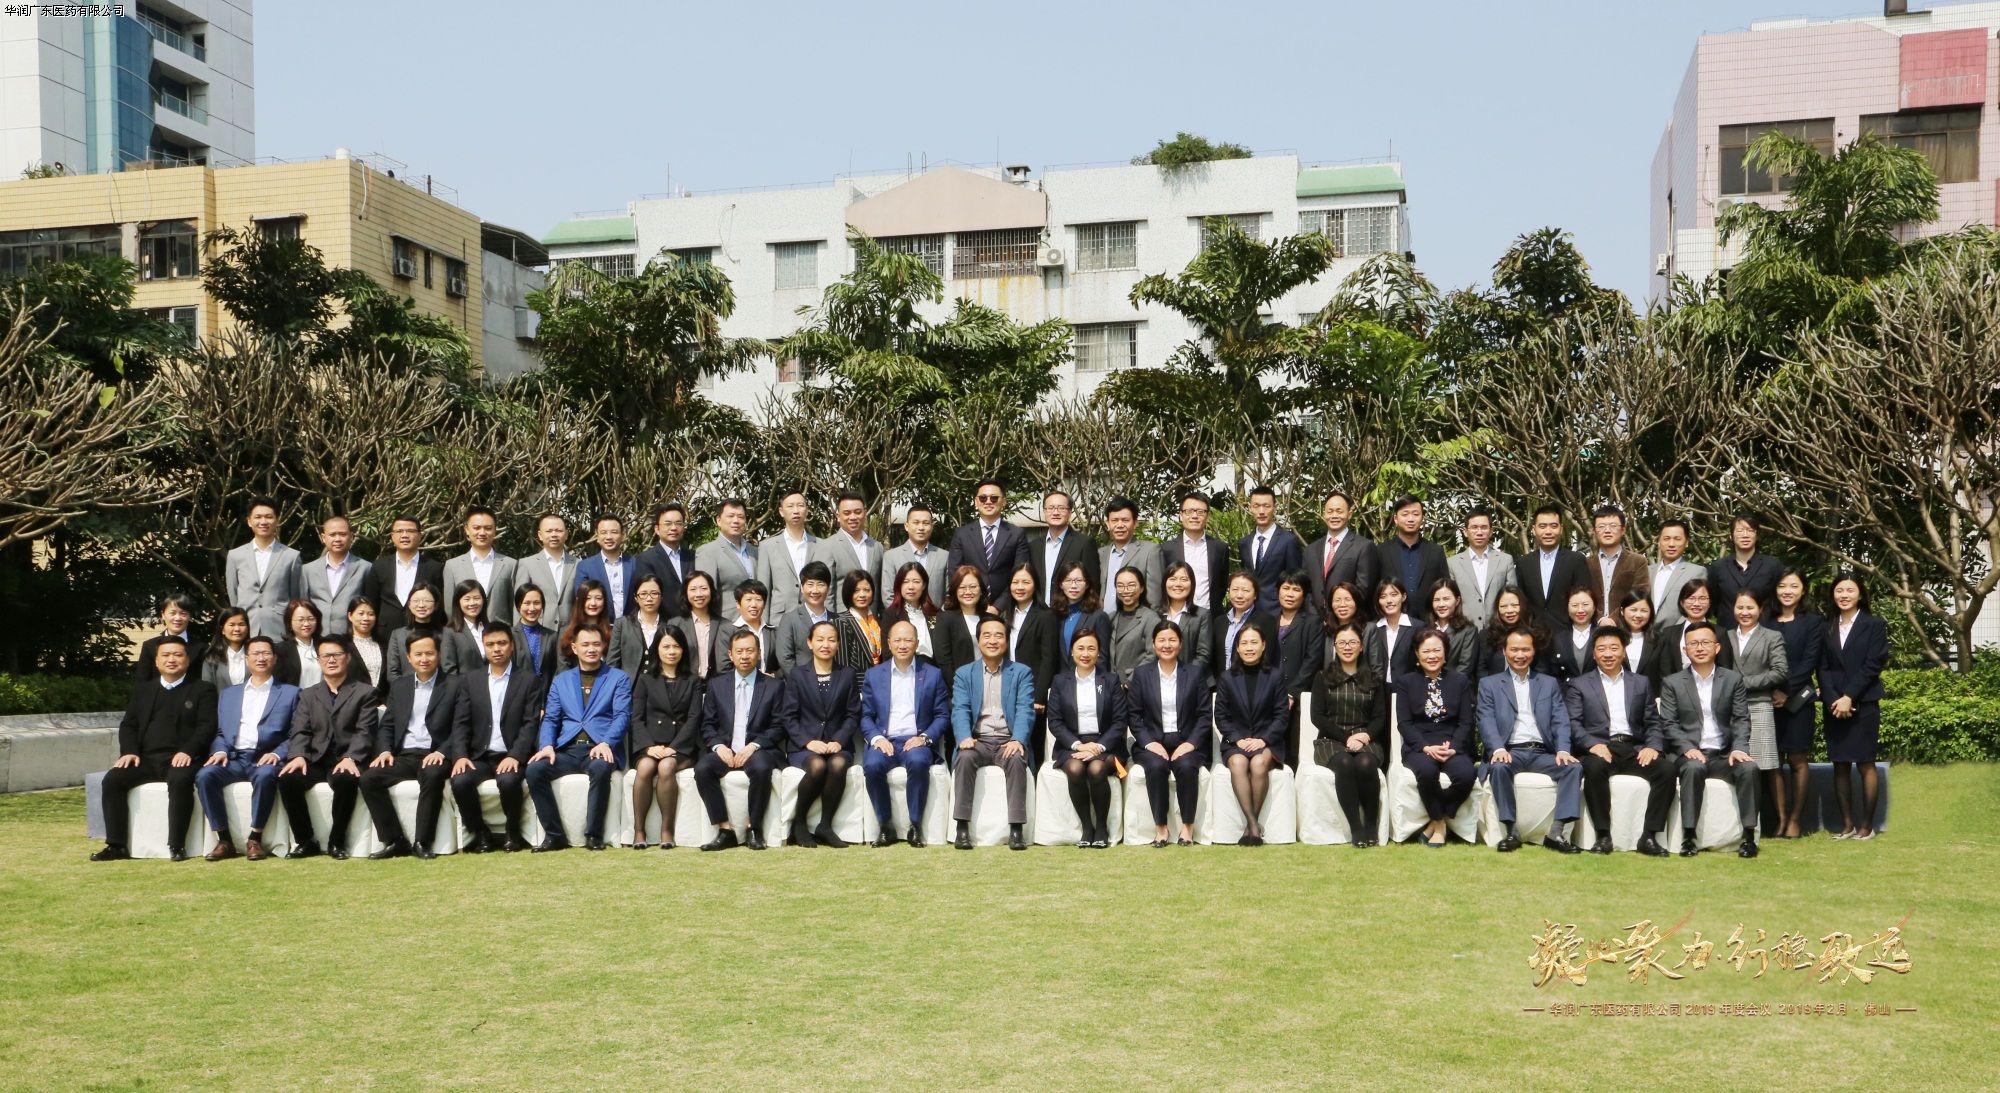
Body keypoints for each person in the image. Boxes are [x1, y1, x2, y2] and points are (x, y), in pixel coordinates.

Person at [94, 636, 218, 861]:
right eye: (166, 655)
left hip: (183, 758)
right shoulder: (144, 690)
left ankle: (177, 845)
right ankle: (116, 845)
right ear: (156, 661)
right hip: (146, 759)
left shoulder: (203, 689)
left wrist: (188, 751)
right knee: (112, 780)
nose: (171, 660)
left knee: (180, 781)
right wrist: (129, 751)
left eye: (177, 655)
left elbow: (207, 726)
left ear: (187, 660)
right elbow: (129, 725)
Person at [356, 632, 468, 859]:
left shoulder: (455, 684)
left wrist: (442, 752)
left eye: (429, 653)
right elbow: (387, 725)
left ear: (438, 654)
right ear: (408, 657)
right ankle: (395, 840)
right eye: (418, 654)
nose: (424, 659)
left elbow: (461, 725)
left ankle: (422, 842)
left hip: (435, 754)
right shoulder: (400, 686)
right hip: (405, 754)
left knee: (432, 775)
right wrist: (385, 750)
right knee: (369, 779)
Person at [1566, 626, 1675, 856]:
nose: (1608, 654)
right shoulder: (1579, 684)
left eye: (1614, 648)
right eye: (1601, 649)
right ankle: (1603, 835)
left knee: (1666, 770)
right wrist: (1591, 744)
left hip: (1633, 748)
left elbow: (1653, 722)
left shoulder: (1641, 682)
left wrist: (1653, 746)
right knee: (1594, 768)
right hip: (1601, 747)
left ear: (1623, 651)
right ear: (1594, 653)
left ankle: (1649, 836)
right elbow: (1574, 723)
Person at [525, 624, 632, 851]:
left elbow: (622, 716)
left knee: (601, 769)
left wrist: (607, 742)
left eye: (596, 644)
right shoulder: (561, 680)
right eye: (585, 644)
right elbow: (551, 718)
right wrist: (547, 745)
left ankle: (593, 835)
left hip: (600, 747)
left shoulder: (618, 678)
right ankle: (554, 836)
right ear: (574, 648)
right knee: (534, 770)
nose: (591, 649)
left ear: (603, 646)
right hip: (568, 749)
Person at [1477, 627, 1583, 853]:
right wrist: (1497, 748)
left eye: (1525, 649)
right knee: (1498, 767)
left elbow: (1560, 719)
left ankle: (1556, 833)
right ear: (1504, 651)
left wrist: (1563, 750)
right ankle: (1511, 831)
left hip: (1542, 752)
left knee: (1573, 768)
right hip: (1509, 751)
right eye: (1514, 649)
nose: (1520, 655)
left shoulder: (1548, 683)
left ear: (1534, 652)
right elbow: (1485, 720)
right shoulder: (1489, 684)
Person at [1658, 621, 1758, 858]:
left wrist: (1739, 748)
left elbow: (1741, 718)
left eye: (1705, 642)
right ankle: (1688, 837)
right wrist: (1687, 748)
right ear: (1685, 650)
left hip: (1723, 754)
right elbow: (1668, 723)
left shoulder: (1732, 679)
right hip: (1690, 753)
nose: (1700, 648)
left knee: (1749, 768)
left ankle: (1748, 837)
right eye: (1693, 644)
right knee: (1693, 768)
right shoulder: (1672, 682)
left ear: (1717, 647)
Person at [194, 636, 298, 862]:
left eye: (266, 653)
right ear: (246, 659)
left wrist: (277, 753)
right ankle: (224, 840)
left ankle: (255, 838)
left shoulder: (291, 693)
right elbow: (221, 732)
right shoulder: (229, 694)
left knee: (265, 775)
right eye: (255, 654)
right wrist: (219, 750)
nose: (261, 658)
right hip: (233, 758)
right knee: (205, 775)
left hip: (265, 757)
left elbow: (296, 733)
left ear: (274, 658)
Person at [275, 636, 378, 860]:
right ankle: (305, 841)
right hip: (315, 758)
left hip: (346, 758)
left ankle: (336, 842)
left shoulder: (365, 692)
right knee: (288, 779)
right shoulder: (308, 694)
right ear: (319, 660)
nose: (331, 660)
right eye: (325, 656)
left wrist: (351, 757)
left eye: (336, 655)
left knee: (346, 779)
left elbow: (365, 731)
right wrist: (298, 755)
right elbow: (300, 729)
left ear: (347, 658)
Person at [450, 627, 542, 853]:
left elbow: (530, 724)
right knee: (460, 781)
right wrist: (460, 756)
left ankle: (513, 832)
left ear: (512, 646)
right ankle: (480, 833)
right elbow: (461, 722)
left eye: (501, 643)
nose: (496, 649)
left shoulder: (528, 680)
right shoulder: (471, 680)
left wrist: (515, 755)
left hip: (511, 754)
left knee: (509, 781)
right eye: (490, 644)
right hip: (480, 755)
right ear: (484, 648)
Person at [694, 630, 786, 851]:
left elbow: (779, 726)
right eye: (740, 651)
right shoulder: (717, 685)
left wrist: (754, 746)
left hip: (758, 748)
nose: (745, 656)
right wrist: (718, 746)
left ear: (759, 653)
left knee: (762, 768)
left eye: (750, 651)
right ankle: (724, 830)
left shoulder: (774, 686)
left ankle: (754, 828)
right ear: (730, 654)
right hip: (725, 748)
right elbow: (707, 724)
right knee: (703, 769)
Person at [860, 620, 949, 846]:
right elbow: (866, 716)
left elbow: (942, 715)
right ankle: (885, 826)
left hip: (915, 740)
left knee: (919, 762)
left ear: (917, 644)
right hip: (885, 740)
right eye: (897, 640)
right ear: (888, 643)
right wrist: (877, 738)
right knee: (872, 765)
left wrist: (924, 738)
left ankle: (915, 825)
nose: (902, 645)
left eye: (908, 640)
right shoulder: (874, 675)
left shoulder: (932, 674)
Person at [949, 617, 1035, 850]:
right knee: (964, 757)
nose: (992, 640)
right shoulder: (964, 673)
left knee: (1016, 758)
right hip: (978, 740)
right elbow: (960, 709)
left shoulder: (1021, 672)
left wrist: (1018, 739)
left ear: (1006, 641)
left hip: (1008, 740)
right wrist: (964, 737)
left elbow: (1025, 709)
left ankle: (1016, 830)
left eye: (999, 635)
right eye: (986, 635)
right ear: (978, 640)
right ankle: (962, 828)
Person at [1127, 620, 1212, 847]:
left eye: (1172, 640)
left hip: (1187, 743)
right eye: (1162, 640)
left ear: (1180, 644)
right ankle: (1161, 829)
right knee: (1156, 766)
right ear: (1153, 644)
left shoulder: (1194, 674)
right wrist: (1148, 742)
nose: (1167, 645)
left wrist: (1191, 743)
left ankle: (1187, 827)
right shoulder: (1142, 674)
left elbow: (1205, 715)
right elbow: (1134, 716)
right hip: (1152, 743)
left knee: (1186, 765)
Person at [1395, 629, 1476, 848]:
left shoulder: (1460, 681)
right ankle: (1440, 824)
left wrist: (1455, 747)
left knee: (1467, 774)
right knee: (1427, 771)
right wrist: (1425, 747)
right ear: (1417, 654)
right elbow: (1404, 723)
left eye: (1437, 650)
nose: (1432, 656)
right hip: (1419, 745)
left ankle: (1435, 819)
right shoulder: (1405, 682)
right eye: (1426, 651)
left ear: (1445, 653)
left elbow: (1466, 722)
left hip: (1451, 743)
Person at [1046, 629, 1127, 848]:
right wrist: (1078, 745)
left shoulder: (1110, 680)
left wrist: (1098, 746)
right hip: (1072, 744)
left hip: (1107, 745)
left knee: (1096, 769)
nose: (1085, 653)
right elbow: (1055, 721)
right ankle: (1086, 827)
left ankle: (1101, 827)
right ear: (1072, 651)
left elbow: (1120, 721)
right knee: (1075, 768)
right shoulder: (1060, 681)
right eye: (1080, 648)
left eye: (1091, 648)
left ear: (1099, 653)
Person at [1821, 575, 1888, 841]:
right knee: (1839, 764)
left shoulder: (1874, 625)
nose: (1844, 595)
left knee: (1865, 763)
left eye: (1850, 590)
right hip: (1834, 704)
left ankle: (1867, 826)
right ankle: (1847, 825)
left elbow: (1874, 664)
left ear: (1860, 594)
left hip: (1864, 702)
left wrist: (1849, 696)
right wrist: (1834, 699)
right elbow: (1822, 667)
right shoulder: (1827, 626)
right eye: (1839, 590)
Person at [1311, 621, 1388, 849]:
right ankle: (1356, 828)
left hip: (1366, 738)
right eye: (1342, 642)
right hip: (1331, 740)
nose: (1347, 647)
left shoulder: (1374, 679)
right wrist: (1346, 738)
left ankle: (1371, 826)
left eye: (1352, 642)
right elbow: (1318, 717)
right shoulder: (1322, 677)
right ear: (1334, 646)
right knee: (1345, 763)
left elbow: (1380, 717)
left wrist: (1365, 736)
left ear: (1361, 647)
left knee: (1365, 763)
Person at [782, 620, 859, 847]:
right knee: (817, 766)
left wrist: (839, 740)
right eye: (820, 639)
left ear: (838, 644)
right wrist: (808, 742)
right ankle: (799, 824)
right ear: (810, 643)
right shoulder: (797, 675)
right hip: (804, 746)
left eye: (831, 640)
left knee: (837, 764)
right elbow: (788, 716)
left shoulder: (847, 674)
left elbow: (853, 714)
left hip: (838, 744)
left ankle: (825, 825)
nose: (826, 645)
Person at [625, 627, 702, 850]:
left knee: (666, 766)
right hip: (650, 744)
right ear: (656, 650)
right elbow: (636, 717)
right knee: (645, 767)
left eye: (676, 646)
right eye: (666, 646)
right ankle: (639, 831)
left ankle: (666, 830)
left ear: (683, 650)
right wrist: (648, 746)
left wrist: (673, 748)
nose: (671, 651)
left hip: (681, 746)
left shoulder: (693, 681)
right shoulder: (645, 679)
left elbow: (694, 718)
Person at [1718, 588, 1789, 812]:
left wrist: (1742, 682)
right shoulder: (1726, 636)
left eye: (1750, 607)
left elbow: (1780, 671)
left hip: (1759, 704)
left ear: (1760, 609)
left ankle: (1781, 820)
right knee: (1737, 763)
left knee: (1768, 764)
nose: (1745, 612)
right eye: (1740, 607)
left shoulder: (1771, 636)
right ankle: (1743, 817)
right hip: (1729, 708)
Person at [1216, 622, 1286, 846]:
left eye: (1254, 642)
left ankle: (1250, 827)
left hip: (1267, 741)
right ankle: (1254, 825)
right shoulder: (1227, 678)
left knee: (1258, 763)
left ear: (1263, 645)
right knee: (1238, 763)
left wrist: (1263, 740)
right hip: (1236, 741)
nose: (1249, 648)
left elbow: (1281, 715)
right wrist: (1238, 739)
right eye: (1244, 643)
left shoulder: (1275, 676)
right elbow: (1221, 716)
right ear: (1237, 648)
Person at [1769, 569, 1824, 839]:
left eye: (1793, 586)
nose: (1787, 591)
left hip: (1799, 700)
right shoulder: (1766, 621)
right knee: (1773, 760)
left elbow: (1809, 661)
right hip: (1769, 698)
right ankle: (1780, 818)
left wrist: (1785, 692)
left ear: (1803, 590)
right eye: (1782, 585)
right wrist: (1772, 690)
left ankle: (1795, 819)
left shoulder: (1813, 622)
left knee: (1797, 758)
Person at [225, 496, 302, 638]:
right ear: (249, 521)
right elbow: (233, 594)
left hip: (279, 630)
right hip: (246, 628)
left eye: (268, 517)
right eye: (258, 517)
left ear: (277, 520)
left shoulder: (291, 556)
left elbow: (295, 597)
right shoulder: (235, 555)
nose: (263, 522)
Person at [946, 478, 1028, 607]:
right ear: (976, 501)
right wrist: (975, 604)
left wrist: (998, 606)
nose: (988, 502)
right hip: (970, 606)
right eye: (983, 498)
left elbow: (1021, 574)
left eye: (994, 498)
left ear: (1004, 501)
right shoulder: (961, 534)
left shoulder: (1016, 534)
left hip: (1006, 609)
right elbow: (954, 573)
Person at [1000, 564, 1059, 735]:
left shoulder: (1046, 616)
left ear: (1035, 585)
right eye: (1015, 582)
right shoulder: (1004, 615)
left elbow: (1049, 659)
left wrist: (1039, 696)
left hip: (1031, 688)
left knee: (1031, 738)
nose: (1020, 587)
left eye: (1026, 582)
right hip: (1007, 684)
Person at [360, 514, 443, 636]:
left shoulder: (434, 568)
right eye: (399, 531)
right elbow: (371, 603)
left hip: (423, 634)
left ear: (420, 536)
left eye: (410, 531)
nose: (404, 535)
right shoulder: (379, 566)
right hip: (385, 634)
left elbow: (440, 606)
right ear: (392, 536)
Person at [1274, 571, 1324, 762]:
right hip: (1271, 694)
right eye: (1285, 588)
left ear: (1304, 595)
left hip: (1299, 696)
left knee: (1295, 751)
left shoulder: (1313, 622)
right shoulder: (1269, 620)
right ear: (1278, 591)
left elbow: (1312, 660)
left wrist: (1291, 693)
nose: (1289, 594)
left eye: (1296, 589)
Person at [1516, 504, 1589, 633]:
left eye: (1553, 526)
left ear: (1561, 529)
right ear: (1534, 529)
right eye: (1542, 526)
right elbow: (1521, 601)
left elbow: (1584, 598)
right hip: (1533, 633)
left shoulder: (1576, 560)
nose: (1548, 531)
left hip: (1567, 632)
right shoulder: (1523, 563)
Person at [442, 505, 518, 628]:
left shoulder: (510, 564)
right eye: (476, 528)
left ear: (495, 530)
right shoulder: (452, 566)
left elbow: (515, 605)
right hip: (464, 632)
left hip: (500, 633)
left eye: (488, 528)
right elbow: (449, 607)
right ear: (466, 530)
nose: (482, 533)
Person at [1374, 495, 1448, 621]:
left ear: (1422, 518)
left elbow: (1444, 588)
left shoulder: (1436, 551)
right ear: (1396, 519)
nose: (1410, 519)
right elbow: (1374, 589)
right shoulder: (1381, 551)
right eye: (1405, 514)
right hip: (1392, 622)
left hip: (1428, 622)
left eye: (1415, 514)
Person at [1307, 490, 1380, 614]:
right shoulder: (1311, 549)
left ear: (1349, 514)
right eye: (1330, 511)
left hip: (1349, 619)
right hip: (1316, 620)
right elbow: (1307, 588)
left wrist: (1340, 613)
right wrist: (1314, 616)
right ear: (1324, 514)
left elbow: (1364, 588)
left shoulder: (1363, 546)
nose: (1334, 515)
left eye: (1339, 511)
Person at [1161, 490, 1231, 616]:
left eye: (1200, 512)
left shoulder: (1220, 548)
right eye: (1189, 511)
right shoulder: (1167, 549)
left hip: (1211, 616)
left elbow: (1222, 584)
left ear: (1208, 516)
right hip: (1177, 616)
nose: (1194, 516)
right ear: (1181, 515)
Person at [1027, 489, 1099, 608]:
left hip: (1071, 611)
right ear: (1044, 511)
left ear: (1070, 512)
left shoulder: (1084, 543)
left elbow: (1093, 583)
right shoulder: (1034, 546)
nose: (1056, 512)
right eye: (1051, 508)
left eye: (1061, 508)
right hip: (1039, 612)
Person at [1238, 485, 1303, 615]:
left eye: (1266, 506)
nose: (1261, 511)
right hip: (1249, 612)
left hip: (1278, 612)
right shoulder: (1244, 543)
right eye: (1256, 506)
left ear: (1275, 507)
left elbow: (1296, 580)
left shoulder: (1288, 541)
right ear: (1250, 508)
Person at [754, 489, 819, 620]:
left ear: (807, 510)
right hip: (779, 619)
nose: (796, 510)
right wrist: (764, 624)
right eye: (790, 506)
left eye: (800, 505)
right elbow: (763, 589)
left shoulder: (821, 545)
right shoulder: (767, 547)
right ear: (781, 511)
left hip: (815, 618)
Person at [1446, 506, 1514, 631]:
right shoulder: (1453, 563)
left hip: (1498, 630)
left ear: (1491, 531)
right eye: (1474, 527)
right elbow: (1450, 600)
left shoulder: (1505, 561)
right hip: (1464, 630)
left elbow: (1512, 597)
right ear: (1465, 531)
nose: (1479, 532)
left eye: (1484, 527)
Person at [1708, 513, 1784, 621]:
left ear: (1757, 535)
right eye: (1740, 531)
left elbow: (1778, 600)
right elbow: (1714, 602)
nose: (1745, 535)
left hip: (1764, 627)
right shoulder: (1718, 567)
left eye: (1750, 530)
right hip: (1728, 628)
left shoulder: (1772, 565)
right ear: (1731, 536)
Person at [696, 497, 760, 622]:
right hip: (726, 623)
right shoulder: (708, 552)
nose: (736, 521)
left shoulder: (755, 551)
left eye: (740, 517)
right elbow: (705, 595)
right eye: (730, 516)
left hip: (756, 623)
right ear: (719, 520)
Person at [303, 514, 368, 635]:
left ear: (351, 537)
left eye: (342, 534)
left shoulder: (365, 568)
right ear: (323, 538)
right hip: (317, 637)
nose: (337, 539)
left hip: (351, 637)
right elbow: (303, 606)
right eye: (332, 535)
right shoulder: (308, 570)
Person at [809, 491, 883, 592]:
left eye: (857, 512)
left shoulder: (877, 547)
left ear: (865, 513)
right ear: (838, 516)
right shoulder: (827, 547)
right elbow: (825, 590)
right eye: (847, 513)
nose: (853, 517)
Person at [931, 564, 989, 695]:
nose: (968, 592)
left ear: (981, 590)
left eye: (973, 587)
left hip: (990, 688)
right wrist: (959, 689)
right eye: (962, 587)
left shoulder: (990, 619)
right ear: (955, 591)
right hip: (958, 690)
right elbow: (943, 660)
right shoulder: (945, 619)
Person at [1587, 505, 1649, 625]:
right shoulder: (1586, 563)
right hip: (1593, 627)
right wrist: (1600, 619)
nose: (1607, 530)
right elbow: (1582, 595)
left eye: (1613, 526)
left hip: (1625, 627)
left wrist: (1613, 620)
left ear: (1623, 530)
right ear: (1594, 531)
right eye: (1601, 526)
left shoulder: (1638, 561)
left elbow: (1640, 594)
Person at [516, 513, 579, 631]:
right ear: (540, 535)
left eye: (558, 531)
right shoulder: (527, 564)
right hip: (538, 630)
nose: (554, 534)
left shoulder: (578, 564)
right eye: (549, 531)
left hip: (570, 631)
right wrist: (519, 634)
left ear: (566, 534)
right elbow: (519, 603)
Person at [1100, 496, 1164, 609]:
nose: (1120, 525)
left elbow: (1155, 598)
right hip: (1103, 618)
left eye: (1125, 520)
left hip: (1136, 619)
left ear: (1135, 523)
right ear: (1108, 524)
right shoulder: (1100, 554)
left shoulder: (1150, 551)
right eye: (1115, 520)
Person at [635, 503, 696, 620]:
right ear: (657, 529)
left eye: (678, 523)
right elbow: (647, 595)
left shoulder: (692, 556)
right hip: (663, 623)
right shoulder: (646, 559)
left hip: (692, 621)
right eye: (668, 524)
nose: (673, 528)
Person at [1050, 562, 1113, 674]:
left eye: (1079, 580)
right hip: (1061, 680)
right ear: (1060, 584)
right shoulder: (1055, 615)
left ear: (1087, 584)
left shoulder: (1098, 617)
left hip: (1087, 680)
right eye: (1068, 580)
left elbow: (1101, 659)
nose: (1073, 586)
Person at [388, 583, 459, 681]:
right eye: (416, 601)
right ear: (409, 604)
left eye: (427, 601)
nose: (421, 605)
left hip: (442, 688)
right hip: (407, 688)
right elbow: (393, 672)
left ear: (436, 605)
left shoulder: (447, 633)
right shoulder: (398, 635)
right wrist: (405, 689)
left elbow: (451, 670)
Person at [776, 561, 837, 673]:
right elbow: (785, 658)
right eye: (810, 584)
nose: (815, 590)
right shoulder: (789, 619)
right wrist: (801, 681)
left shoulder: (837, 620)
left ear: (828, 589)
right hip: (801, 681)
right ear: (802, 588)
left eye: (821, 584)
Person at [882, 502, 949, 603]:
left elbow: (949, 594)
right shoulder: (891, 556)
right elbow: (888, 595)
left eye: (926, 523)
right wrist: (903, 614)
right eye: (916, 522)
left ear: (932, 526)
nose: (921, 527)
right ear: (906, 526)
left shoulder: (944, 556)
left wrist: (940, 613)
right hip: (902, 613)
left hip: (937, 612)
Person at [576, 513, 639, 621]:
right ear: (597, 536)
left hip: (630, 625)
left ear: (623, 535)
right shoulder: (585, 567)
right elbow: (581, 599)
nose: (609, 537)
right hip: (598, 625)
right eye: (603, 532)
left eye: (614, 532)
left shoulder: (635, 564)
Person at [1106, 566, 1163, 683]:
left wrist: (1130, 682)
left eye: (1131, 585)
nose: (1125, 590)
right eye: (1120, 586)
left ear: (1141, 588)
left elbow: (1152, 656)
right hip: (1112, 685)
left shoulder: (1150, 619)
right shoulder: (1111, 618)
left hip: (1136, 685)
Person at [1214, 570, 1275, 676]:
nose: (1239, 595)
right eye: (1235, 589)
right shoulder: (1219, 622)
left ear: (1255, 595)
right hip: (1222, 683)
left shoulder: (1266, 621)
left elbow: (1268, 658)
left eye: (1245, 590)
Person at [880, 562, 940, 667]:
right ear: (899, 585)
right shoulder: (891, 615)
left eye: (916, 582)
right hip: (904, 670)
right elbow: (887, 653)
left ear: (924, 585)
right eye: (905, 582)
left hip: (935, 671)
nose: (911, 587)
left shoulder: (936, 614)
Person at [1648, 519, 1706, 627]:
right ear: (1659, 542)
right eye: (1666, 539)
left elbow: (1695, 608)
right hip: (1646, 633)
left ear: (1686, 542)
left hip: (1677, 633)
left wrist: (1675, 632)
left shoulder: (1696, 572)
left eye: (1677, 539)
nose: (1671, 544)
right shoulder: (1647, 571)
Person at [1479, 587, 1547, 679]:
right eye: (1503, 606)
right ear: (1497, 608)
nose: (1509, 611)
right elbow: (1481, 670)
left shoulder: (1536, 633)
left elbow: (1542, 669)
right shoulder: (1486, 635)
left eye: (1515, 605)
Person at [717, 579, 780, 677]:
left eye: (758, 600)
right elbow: (723, 667)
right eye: (748, 600)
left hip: (769, 683)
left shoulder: (773, 632)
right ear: (738, 604)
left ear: (764, 604)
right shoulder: (727, 631)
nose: (754, 605)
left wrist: (774, 676)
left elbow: (782, 663)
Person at [1363, 577, 1420, 684]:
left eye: (1394, 595)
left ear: (1403, 597)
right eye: (1383, 596)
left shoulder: (1418, 627)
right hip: (1377, 688)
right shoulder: (1372, 629)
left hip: (1408, 688)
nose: (1389, 600)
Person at [608, 573, 667, 676]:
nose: (649, 598)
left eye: (654, 593)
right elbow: (612, 663)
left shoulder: (669, 625)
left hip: (660, 683)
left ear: (661, 596)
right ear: (636, 597)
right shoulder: (622, 624)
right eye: (643, 594)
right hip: (629, 684)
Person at [136, 593, 202, 684]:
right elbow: (142, 683)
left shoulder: (201, 648)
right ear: (163, 615)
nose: (177, 618)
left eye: (183, 614)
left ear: (189, 616)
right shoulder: (149, 646)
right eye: (173, 613)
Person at [1158, 561, 1213, 669]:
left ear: (1192, 584)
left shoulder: (1202, 616)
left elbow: (1203, 655)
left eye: (1184, 579)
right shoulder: (1156, 615)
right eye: (1173, 579)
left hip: (1191, 676)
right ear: (1165, 583)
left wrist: (1183, 676)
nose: (1178, 584)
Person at [669, 571, 723, 681]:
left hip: (716, 684)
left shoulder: (725, 625)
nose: (699, 594)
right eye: (693, 589)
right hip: (684, 683)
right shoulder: (675, 624)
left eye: (704, 588)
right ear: (685, 593)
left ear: (711, 591)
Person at [1426, 578, 1482, 681]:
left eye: (1446, 599)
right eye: (1436, 600)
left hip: (1456, 686)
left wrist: (1445, 686)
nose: (1441, 604)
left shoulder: (1468, 631)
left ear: (1457, 601)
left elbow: (1465, 667)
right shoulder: (1424, 629)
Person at [833, 570, 885, 679]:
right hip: (857, 685)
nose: (862, 595)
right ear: (848, 593)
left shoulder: (877, 621)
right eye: (856, 591)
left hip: (880, 681)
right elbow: (842, 666)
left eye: (867, 590)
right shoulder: (842, 622)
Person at [1658, 579, 1714, 678]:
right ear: (1682, 602)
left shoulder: (1720, 632)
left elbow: (1725, 670)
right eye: (1691, 598)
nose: (1696, 603)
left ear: (1709, 602)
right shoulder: (1668, 634)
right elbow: (1665, 669)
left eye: (1702, 598)